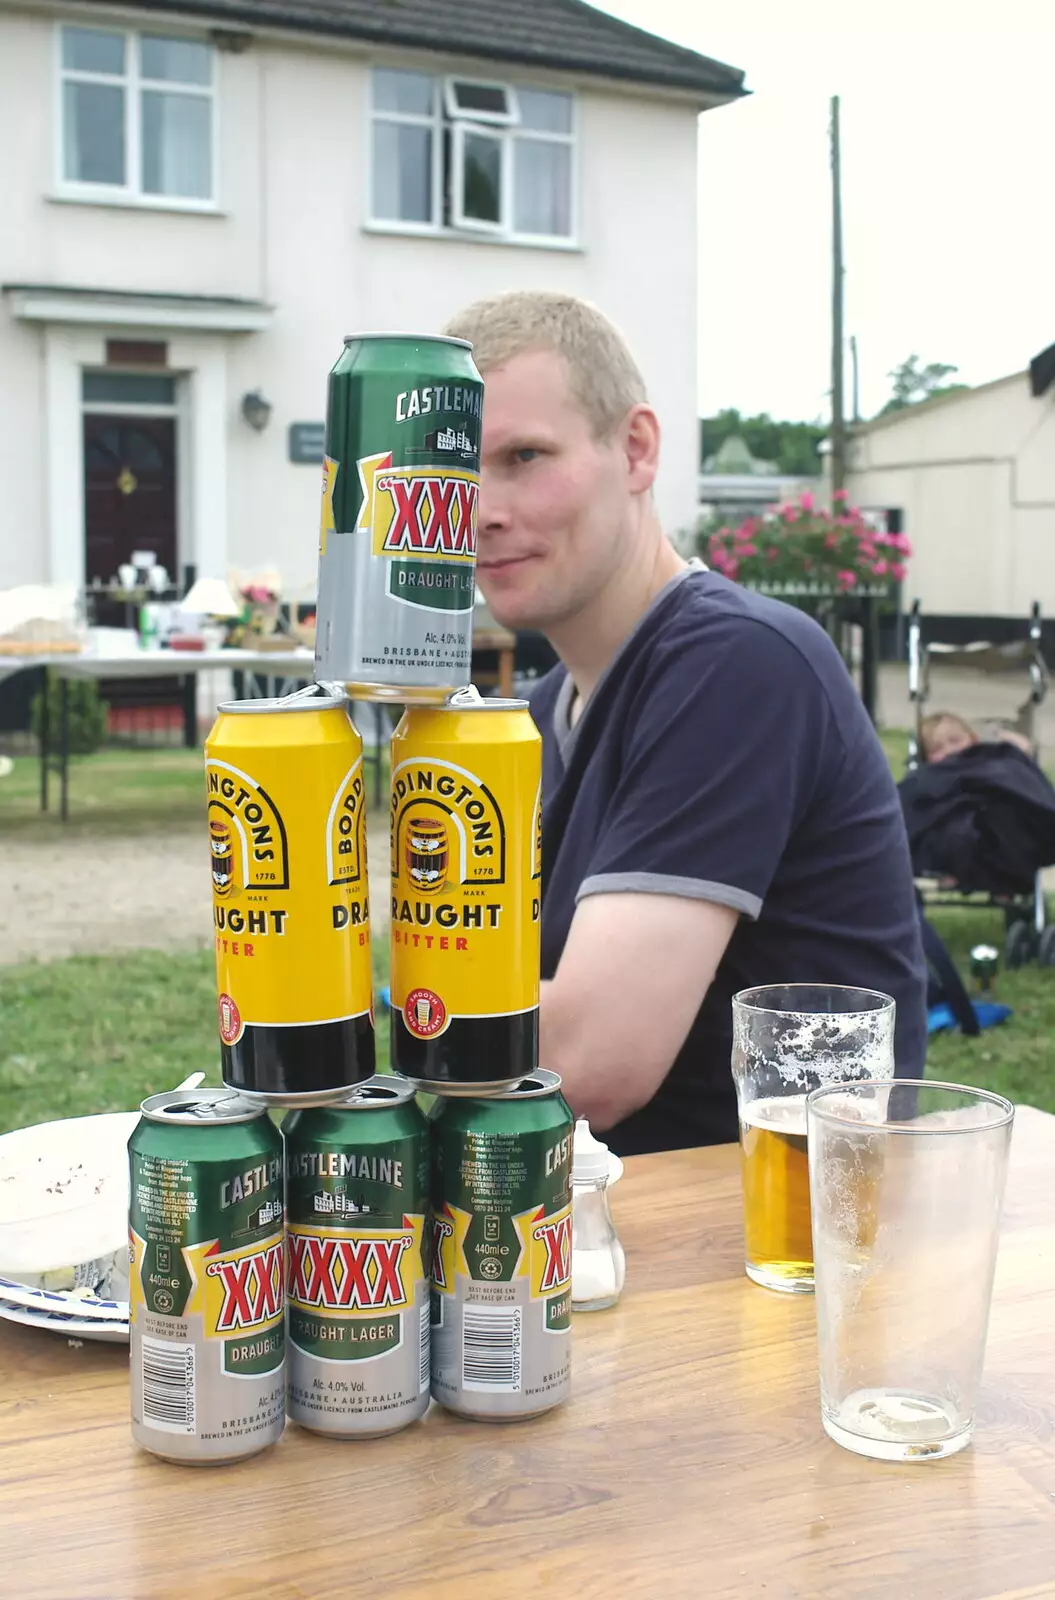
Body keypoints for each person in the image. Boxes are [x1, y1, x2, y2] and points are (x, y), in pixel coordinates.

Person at [444, 290, 928, 1156]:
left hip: (765, 1247)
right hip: (588, 1227)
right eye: (454, 475)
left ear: (634, 450)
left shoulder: (737, 662)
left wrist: (324, 1034)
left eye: (523, 456)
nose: (480, 510)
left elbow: (586, 1064)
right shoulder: (537, 711)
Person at [919, 710, 1033, 763]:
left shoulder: (984, 759)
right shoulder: (931, 779)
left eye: (955, 741)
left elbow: (1024, 746)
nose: (949, 751)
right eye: (936, 749)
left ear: (973, 740)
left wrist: (999, 735)